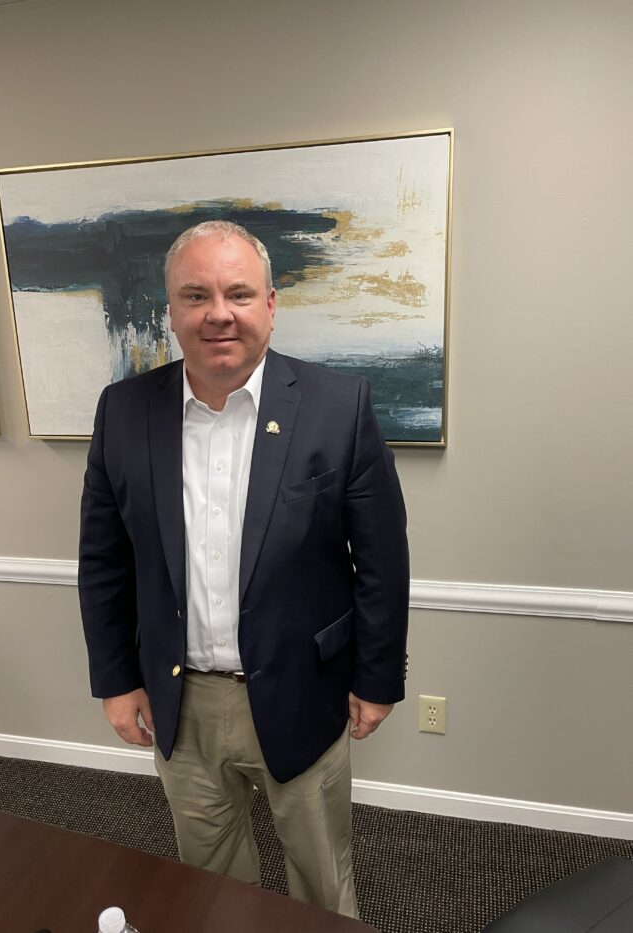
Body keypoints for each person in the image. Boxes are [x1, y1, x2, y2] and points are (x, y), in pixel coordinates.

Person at [79, 220, 409, 918]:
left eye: (237, 293)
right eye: (195, 295)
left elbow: (381, 559)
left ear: (270, 303)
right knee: (210, 881)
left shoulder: (336, 406)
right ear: (170, 310)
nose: (217, 313)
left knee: (321, 879)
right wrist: (116, 680)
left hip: (304, 688)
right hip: (181, 699)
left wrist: (376, 679)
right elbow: (104, 561)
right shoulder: (123, 411)